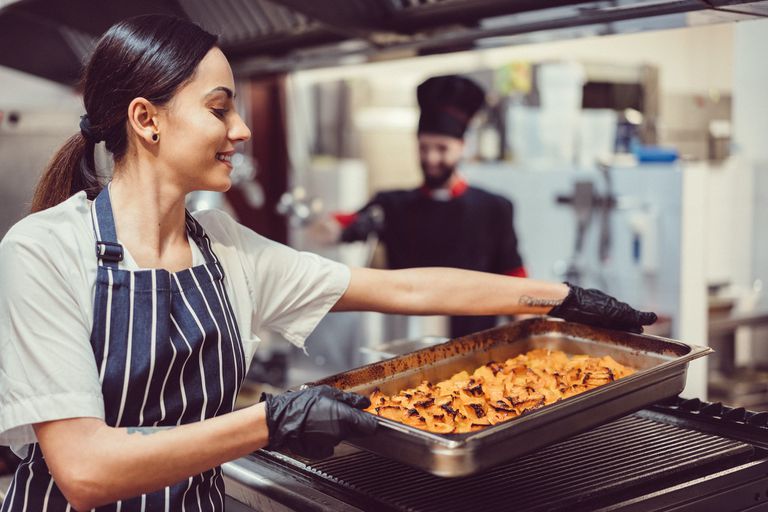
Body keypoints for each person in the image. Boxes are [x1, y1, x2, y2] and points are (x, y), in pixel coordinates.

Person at [0, 15, 656, 511]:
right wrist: (273, 420)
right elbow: (85, 471)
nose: (241, 130)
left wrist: (560, 298)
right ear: (147, 120)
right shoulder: (43, 251)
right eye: (219, 108)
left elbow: (405, 286)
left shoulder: (223, 246)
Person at [329, 75, 528, 338]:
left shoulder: (494, 208)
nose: (431, 158)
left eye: (442, 148)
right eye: (424, 148)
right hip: (406, 344)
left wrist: (529, 333)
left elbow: (515, 277)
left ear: (462, 147)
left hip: (477, 347)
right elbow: (333, 226)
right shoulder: (391, 204)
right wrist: (339, 228)